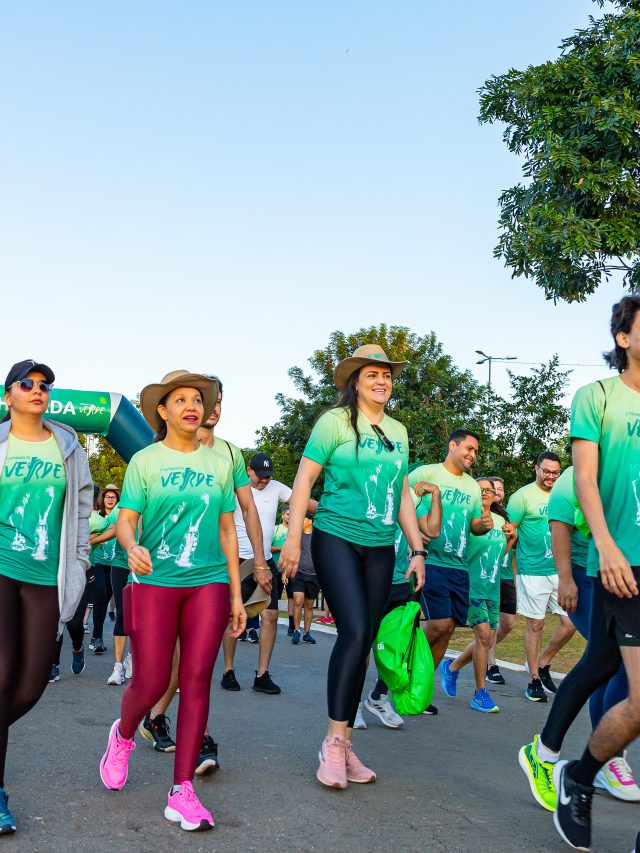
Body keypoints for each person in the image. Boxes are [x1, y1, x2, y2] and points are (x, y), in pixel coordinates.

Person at [99, 370, 245, 832]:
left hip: (208, 581)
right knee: (152, 680)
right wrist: (131, 546)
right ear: (162, 411)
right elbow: (126, 520)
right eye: (180, 399)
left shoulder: (219, 463)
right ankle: (123, 735)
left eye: (197, 399)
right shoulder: (145, 461)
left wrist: (237, 595)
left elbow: (227, 530)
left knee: (197, 678)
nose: (191, 406)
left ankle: (182, 790)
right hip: (156, 580)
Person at [520, 297, 640, 850]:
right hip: (623, 564)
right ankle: (582, 774)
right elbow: (583, 483)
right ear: (623, 338)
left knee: (599, 663)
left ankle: (550, 755)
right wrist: (605, 550)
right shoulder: (597, 397)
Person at [279, 344, 427, 788]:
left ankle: (343, 742)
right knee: (356, 632)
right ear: (355, 383)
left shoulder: (399, 431)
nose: (381, 381)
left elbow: (402, 494)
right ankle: (333, 743)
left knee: (363, 641)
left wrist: (417, 550)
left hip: (381, 547)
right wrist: (292, 540)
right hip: (336, 537)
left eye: (387, 375)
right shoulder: (334, 422)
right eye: (372, 375)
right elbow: (304, 480)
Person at [139, 376, 269, 773]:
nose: (210, 408)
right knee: (176, 662)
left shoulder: (228, 454)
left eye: (214, 401)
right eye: (195, 400)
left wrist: (259, 561)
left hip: (212, 570)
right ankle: (158, 719)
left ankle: (182, 731)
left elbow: (247, 509)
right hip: (167, 571)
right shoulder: (158, 453)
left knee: (196, 661)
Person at [0, 360, 92, 835]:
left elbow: (81, 509)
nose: (38, 390)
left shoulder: (68, 446)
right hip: (0, 566)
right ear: (9, 395)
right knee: (1, 675)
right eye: (27, 384)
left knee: (32, 683)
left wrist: (79, 560)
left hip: (45, 575)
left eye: (45, 385)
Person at [520, 465, 638, 805]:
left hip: (622, 575)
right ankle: (565, 754)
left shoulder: (624, 465)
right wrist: (565, 579)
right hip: (583, 577)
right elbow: (560, 524)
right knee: (609, 661)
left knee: (611, 663)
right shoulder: (577, 473)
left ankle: (604, 756)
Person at [407, 429, 493, 703]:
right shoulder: (426, 473)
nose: (473, 454)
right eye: (469, 448)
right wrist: (412, 534)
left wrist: (483, 524)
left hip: (460, 567)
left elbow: (474, 526)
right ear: (453, 445)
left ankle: (420, 689)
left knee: (449, 629)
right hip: (430, 560)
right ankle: (405, 663)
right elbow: (402, 503)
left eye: (476, 451)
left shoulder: (472, 486)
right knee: (439, 624)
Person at [221, 452, 316, 695]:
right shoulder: (236, 489)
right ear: (249, 471)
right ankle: (228, 671)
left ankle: (262, 674)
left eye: (267, 477)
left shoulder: (277, 488)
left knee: (271, 615)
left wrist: (333, 510)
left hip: (265, 560)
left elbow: (303, 501)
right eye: (260, 476)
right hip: (239, 559)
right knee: (233, 618)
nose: (264, 481)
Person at [359, 479, 442, 729]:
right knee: (361, 644)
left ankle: (378, 696)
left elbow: (433, 531)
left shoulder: (410, 502)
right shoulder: (371, 492)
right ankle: (351, 704)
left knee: (399, 645)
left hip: (401, 582)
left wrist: (435, 494)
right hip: (369, 579)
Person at [442, 478, 517, 713]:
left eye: (489, 490)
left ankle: (451, 667)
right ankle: (480, 693)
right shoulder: (469, 518)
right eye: (481, 489)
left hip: (492, 588)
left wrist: (512, 539)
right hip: (471, 585)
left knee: (486, 639)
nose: (485, 493)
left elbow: (498, 555)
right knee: (484, 635)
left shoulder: (501, 521)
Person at [508, 452, 576, 702]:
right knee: (535, 625)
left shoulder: (565, 494)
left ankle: (543, 662)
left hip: (560, 571)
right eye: (546, 471)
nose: (551, 476)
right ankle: (534, 680)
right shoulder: (522, 496)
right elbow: (509, 532)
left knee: (571, 623)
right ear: (536, 469)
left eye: (555, 472)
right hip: (532, 571)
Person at [50, 486, 114, 682]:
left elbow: (115, 529)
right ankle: (54, 665)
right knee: (55, 621)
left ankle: (78, 647)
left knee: (74, 623)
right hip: (54, 573)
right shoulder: (53, 513)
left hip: (83, 573)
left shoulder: (90, 518)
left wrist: (93, 540)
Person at [486, 476, 517, 686]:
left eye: (500, 488)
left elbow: (512, 547)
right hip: (489, 575)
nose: (497, 491)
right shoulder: (483, 514)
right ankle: (491, 665)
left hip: (505, 575)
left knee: (508, 623)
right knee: (490, 623)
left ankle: (479, 649)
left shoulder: (509, 517)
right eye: (493, 488)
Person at [102, 487, 135, 686]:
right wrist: (94, 540)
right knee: (122, 613)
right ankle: (117, 667)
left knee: (139, 616)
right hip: (121, 563)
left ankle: (131, 657)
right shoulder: (122, 506)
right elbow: (115, 529)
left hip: (146, 564)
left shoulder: (156, 500)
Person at [273, 509, 319, 644]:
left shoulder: (318, 536)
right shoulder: (296, 536)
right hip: (298, 573)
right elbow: (289, 554)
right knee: (298, 600)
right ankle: (296, 630)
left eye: (303, 519)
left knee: (309, 605)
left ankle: (307, 633)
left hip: (314, 575)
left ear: (309, 521)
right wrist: (285, 572)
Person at [88, 485, 119, 656]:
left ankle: (96, 635)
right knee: (100, 596)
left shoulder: (120, 516)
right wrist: (94, 538)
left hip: (115, 563)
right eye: (107, 496)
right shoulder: (96, 517)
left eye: (113, 497)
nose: (110, 499)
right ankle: (97, 637)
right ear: (102, 499)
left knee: (107, 597)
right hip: (98, 561)